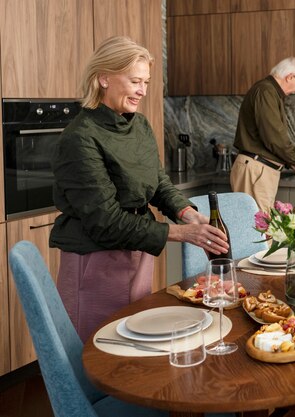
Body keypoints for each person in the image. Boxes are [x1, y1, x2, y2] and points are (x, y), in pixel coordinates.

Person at [50, 36, 230, 342]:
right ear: (104, 77)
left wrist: (185, 213)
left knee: (133, 345)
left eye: (145, 82)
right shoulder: (80, 137)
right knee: (98, 352)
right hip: (96, 260)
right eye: (135, 81)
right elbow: (105, 222)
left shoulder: (140, 124)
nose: (142, 91)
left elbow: (157, 180)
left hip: (138, 251)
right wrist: (179, 234)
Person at [230, 57, 295, 214]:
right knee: (257, 232)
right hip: (256, 170)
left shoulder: (269, 91)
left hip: (257, 169)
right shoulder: (266, 91)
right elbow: (274, 137)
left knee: (259, 230)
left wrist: (292, 162)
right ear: (290, 76)